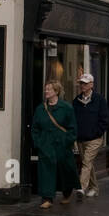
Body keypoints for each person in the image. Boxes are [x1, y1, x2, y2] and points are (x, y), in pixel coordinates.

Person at [31, 81, 78, 209]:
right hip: (46, 145)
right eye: (45, 89)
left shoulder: (66, 108)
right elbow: (35, 128)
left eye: (49, 90)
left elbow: (73, 128)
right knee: (46, 171)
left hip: (62, 145)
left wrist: (67, 141)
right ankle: (47, 198)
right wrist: (39, 143)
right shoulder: (40, 109)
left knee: (65, 170)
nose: (46, 92)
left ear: (56, 92)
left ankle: (67, 193)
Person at [72, 73, 109, 199]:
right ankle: (94, 188)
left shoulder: (99, 100)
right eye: (81, 83)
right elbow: (73, 119)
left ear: (92, 85)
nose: (83, 85)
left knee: (87, 162)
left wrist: (98, 132)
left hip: (95, 138)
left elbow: (105, 119)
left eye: (86, 83)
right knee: (88, 163)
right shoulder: (76, 101)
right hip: (81, 139)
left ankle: (81, 188)